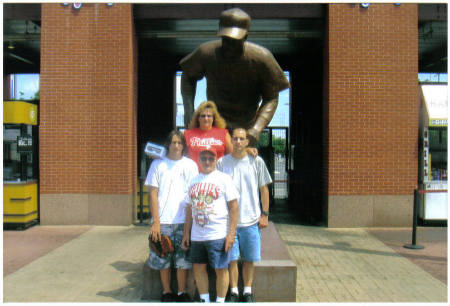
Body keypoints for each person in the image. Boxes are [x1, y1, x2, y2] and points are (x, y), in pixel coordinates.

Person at [180, 8, 290, 146]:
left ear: (245, 37)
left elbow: (272, 97)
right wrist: (189, 110)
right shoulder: (206, 53)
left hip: (245, 129)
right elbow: (187, 76)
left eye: (234, 40)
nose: (228, 45)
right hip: (216, 125)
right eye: (225, 39)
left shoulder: (262, 58)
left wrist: (256, 129)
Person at [216, 127, 272, 303]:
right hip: (229, 223)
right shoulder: (221, 163)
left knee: (249, 259)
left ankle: (247, 291)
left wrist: (265, 214)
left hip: (250, 221)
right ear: (230, 141)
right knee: (232, 260)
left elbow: (264, 189)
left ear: (247, 142)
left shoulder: (257, 162)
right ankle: (233, 291)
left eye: (242, 139)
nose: (238, 142)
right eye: (235, 139)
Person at [145, 130, 199, 302]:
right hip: (163, 221)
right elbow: (153, 193)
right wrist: (156, 223)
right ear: (168, 144)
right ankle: (167, 292)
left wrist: (188, 229)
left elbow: (192, 197)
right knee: (164, 258)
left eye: (179, 143)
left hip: (183, 221)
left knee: (183, 261)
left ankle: (182, 292)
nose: (176, 146)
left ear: (183, 146)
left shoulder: (190, 165)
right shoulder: (157, 165)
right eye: (173, 142)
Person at [181, 146, 239, 303]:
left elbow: (234, 207)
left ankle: (220, 301)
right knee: (199, 268)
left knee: (221, 269)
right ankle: (205, 300)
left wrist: (231, 234)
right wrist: (186, 233)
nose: (207, 161)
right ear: (199, 160)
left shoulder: (224, 179)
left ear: (215, 160)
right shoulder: (193, 181)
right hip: (197, 236)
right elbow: (189, 208)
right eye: (204, 158)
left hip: (218, 235)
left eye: (210, 159)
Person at [184, 100, 233, 170]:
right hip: (196, 176)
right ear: (198, 118)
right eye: (203, 116)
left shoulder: (224, 133)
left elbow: (233, 155)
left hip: (218, 175)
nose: (206, 119)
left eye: (209, 116)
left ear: (213, 118)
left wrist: (247, 150)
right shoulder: (188, 134)